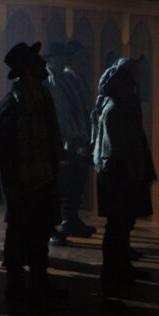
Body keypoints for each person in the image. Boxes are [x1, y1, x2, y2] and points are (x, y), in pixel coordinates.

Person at [0, 42, 68, 302]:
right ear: (27, 67)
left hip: (43, 176)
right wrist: (11, 184)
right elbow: (5, 149)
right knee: (18, 232)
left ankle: (39, 280)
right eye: (37, 62)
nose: (43, 65)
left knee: (40, 230)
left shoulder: (40, 94)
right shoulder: (14, 101)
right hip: (24, 181)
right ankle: (15, 283)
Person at [93, 61, 157, 285]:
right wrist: (133, 173)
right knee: (118, 225)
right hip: (119, 174)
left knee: (123, 224)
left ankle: (121, 267)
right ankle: (113, 271)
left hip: (123, 172)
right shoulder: (116, 109)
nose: (136, 81)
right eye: (131, 77)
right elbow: (117, 150)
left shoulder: (123, 104)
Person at [43, 42, 95, 245]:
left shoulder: (67, 79)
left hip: (73, 138)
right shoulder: (46, 80)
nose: (63, 60)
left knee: (75, 181)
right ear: (50, 60)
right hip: (56, 141)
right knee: (56, 185)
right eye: (58, 57)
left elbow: (75, 107)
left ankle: (70, 220)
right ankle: (51, 227)